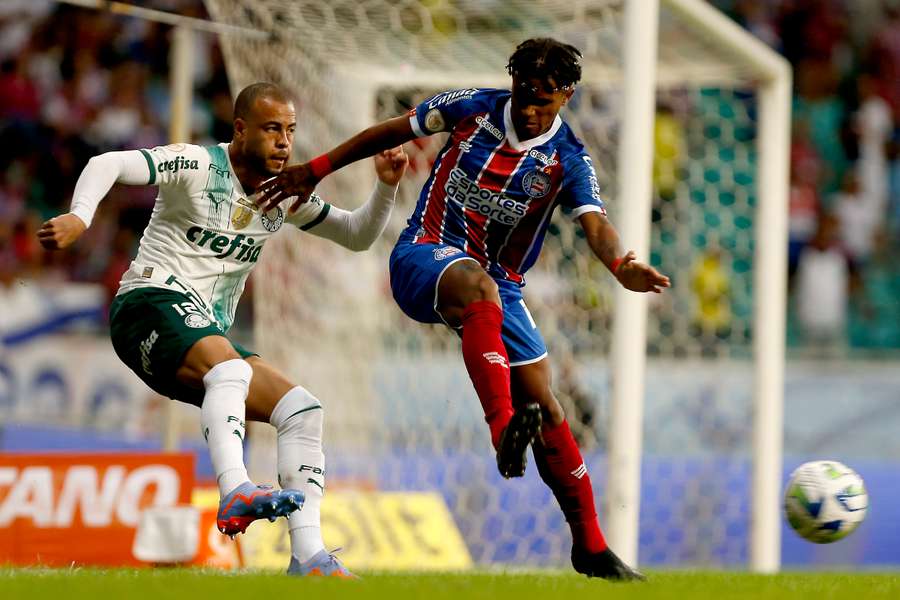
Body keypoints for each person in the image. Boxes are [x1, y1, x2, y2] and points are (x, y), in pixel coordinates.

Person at [255, 38, 669, 581]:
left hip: (503, 289)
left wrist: (620, 267)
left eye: (542, 99)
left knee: (548, 409)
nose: (527, 106)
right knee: (478, 290)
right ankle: (500, 430)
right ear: (512, 78)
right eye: (522, 90)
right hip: (423, 254)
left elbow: (596, 225)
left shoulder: (568, 158)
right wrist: (317, 168)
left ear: (567, 95)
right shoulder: (472, 105)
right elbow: (391, 130)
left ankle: (590, 547)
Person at [37, 82, 408, 578]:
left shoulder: (283, 195)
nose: (283, 141)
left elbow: (358, 236)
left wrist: (385, 186)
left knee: (302, 410)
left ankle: (309, 556)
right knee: (229, 368)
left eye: (290, 131)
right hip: (146, 304)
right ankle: (235, 489)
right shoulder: (195, 165)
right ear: (240, 129)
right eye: (272, 128)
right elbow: (108, 163)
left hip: (200, 333)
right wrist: (81, 217)